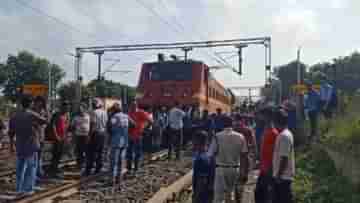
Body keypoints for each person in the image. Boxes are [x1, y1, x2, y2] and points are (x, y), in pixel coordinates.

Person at [9, 96, 47, 196]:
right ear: (30, 104)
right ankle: (28, 189)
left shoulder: (14, 116)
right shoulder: (32, 114)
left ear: (22, 103)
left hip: (20, 145)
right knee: (31, 167)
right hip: (31, 145)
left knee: (20, 168)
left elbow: (11, 133)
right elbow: (44, 121)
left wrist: (11, 145)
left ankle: (19, 188)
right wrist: (35, 123)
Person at [209, 116, 249, 203]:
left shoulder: (217, 136)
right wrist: (243, 172)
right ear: (232, 124)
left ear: (223, 124)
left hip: (220, 169)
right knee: (230, 196)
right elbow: (244, 155)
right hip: (235, 169)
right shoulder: (241, 137)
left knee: (218, 197)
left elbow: (211, 154)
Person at [254, 106, 279, 203]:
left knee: (264, 195)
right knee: (260, 193)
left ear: (268, 116)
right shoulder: (266, 130)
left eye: (262, 115)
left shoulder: (273, 133)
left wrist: (271, 169)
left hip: (269, 169)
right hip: (264, 167)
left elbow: (274, 152)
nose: (260, 117)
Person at [272, 109, 295, 203]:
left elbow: (284, 158)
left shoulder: (284, 136)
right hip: (282, 177)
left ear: (277, 121)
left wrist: (278, 176)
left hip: (282, 178)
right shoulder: (286, 134)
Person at [108, 102, 133, 184]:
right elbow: (133, 125)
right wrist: (126, 132)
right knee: (121, 160)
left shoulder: (114, 117)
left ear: (114, 110)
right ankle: (120, 178)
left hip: (116, 142)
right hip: (125, 141)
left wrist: (112, 133)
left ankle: (112, 180)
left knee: (114, 161)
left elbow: (109, 125)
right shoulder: (126, 116)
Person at [126, 101, 153, 173]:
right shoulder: (129, 113)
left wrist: (145, 129)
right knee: (129, 152)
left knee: (137, 152)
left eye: (133, 105)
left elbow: (150, 121)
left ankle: (136, 168)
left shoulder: (141, 112)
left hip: (138, 135)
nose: (132, 107)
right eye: (131, 105)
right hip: (130, 136)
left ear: (136, 106)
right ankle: (129, 168)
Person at [86, 98, 108, 175]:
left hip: (95, 134)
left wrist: (89, 135)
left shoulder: (93, 112)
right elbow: (106, 123)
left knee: (91, 152)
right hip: (103, 133)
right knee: (100, 151)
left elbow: (92, 124)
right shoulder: (104, 112)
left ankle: (89, 169)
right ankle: (98, 168)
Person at [49, 101, 70, 178]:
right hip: (57, 137)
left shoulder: (67, 114)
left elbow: (67, 125)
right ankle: (53, 169)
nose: (66, 108)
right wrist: (56, 136)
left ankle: (56, 167)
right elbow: (53, 125)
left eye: (67, 107)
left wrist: (66, 136)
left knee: (60, 153)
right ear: (62, 107)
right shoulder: (56, 114)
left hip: (63, 137)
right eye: (65, 106)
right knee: (55, 153)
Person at [192, 131, 213, 203]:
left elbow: (202, 181)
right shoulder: (209, 155)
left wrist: (195, 196)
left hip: (202, 195)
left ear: (197, 142)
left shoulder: (201, 159)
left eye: (194, 140)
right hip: (209, 193)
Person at [70, 103, 90, 169]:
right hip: (78, 136)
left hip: (86, 136)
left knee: (86, 150)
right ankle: (79, 164)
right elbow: (72, 126)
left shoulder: (88, 116)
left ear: (85, 109)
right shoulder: (76, 117)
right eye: (79, 109)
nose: (80, 110)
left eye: (82, 108)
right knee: (79, 150)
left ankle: (84, 163)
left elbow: (91, 125)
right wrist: (73, 135)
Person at [32, 96, 48, 182]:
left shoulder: (43, 111)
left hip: (41, 135)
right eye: (39, 101)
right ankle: (34, 174)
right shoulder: (32, 111)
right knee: (34, 156)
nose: (40, 104)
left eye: (42, 102)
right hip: (34, 136)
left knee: (40, 155)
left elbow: (47, 120)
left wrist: (46, 109)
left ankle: (39, 171)